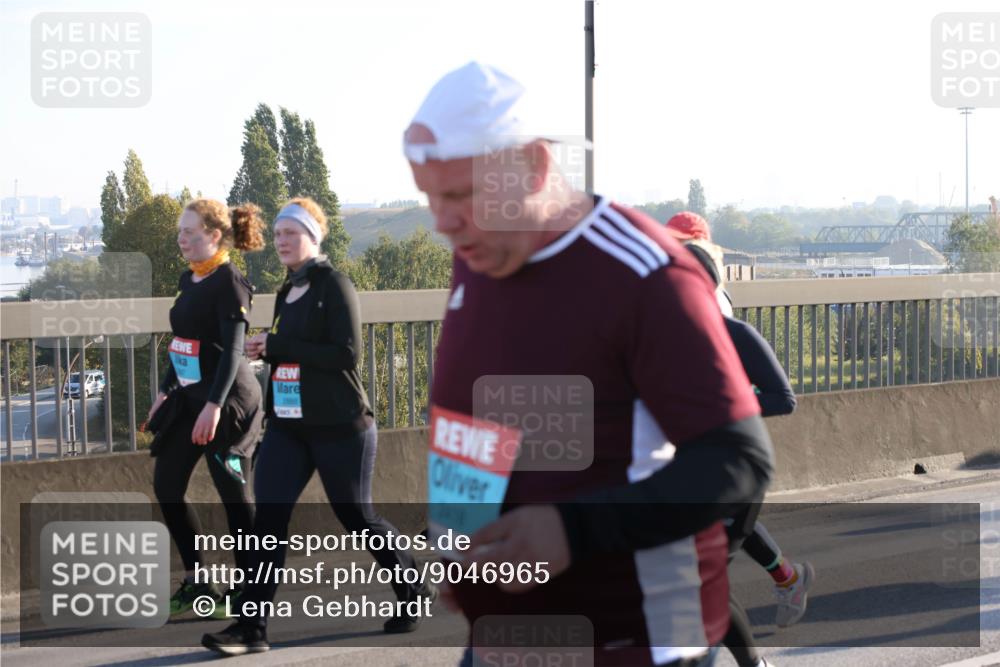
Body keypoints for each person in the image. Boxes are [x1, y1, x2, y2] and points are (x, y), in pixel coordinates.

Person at [404, 62, 774, 667]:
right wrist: (456, 537)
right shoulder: (482, 250)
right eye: (431, 198)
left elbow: (740, 460)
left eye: (461, 196)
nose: (442, 222)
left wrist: (572, 531)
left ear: (535, 166)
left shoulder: (647, 275)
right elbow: (474, 405)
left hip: (642, 642)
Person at [201, 197, 435, 657]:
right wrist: (268, 351)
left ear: (313, 236)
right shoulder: (287, 291)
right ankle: (250, 629)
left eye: (292, 232)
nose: (282, 241)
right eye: (279, 234)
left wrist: (280, 343)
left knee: (357, 517)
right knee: (267, 521)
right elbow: (292, 352)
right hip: (290, 427)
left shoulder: (335, 284)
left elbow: (346, 354)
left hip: (341, 425)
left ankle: (414, 586)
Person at [666, 213, 815, 632]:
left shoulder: (722, 313)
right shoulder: (664, 314)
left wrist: (723, 404)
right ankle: (788, 579)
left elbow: (781, 397)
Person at [147, 198, 265, 619]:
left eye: (189, 232)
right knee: (167, 485)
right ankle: (200, 582)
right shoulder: (190, 278)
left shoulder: (229, 281)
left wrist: (214, 407)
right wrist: (165, 388)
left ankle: (252, 588)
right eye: (180, 231)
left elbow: (233, 352)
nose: (180, 239)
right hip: (190, 397)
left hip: (227, 402)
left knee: (235, 495)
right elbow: (183, 342)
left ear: (213, 236)